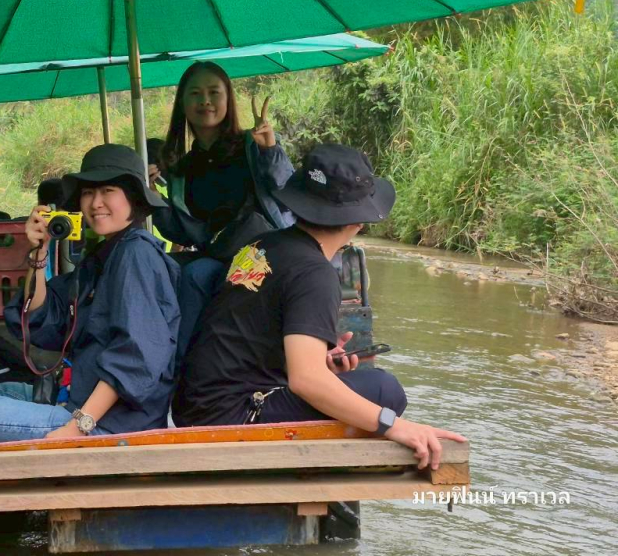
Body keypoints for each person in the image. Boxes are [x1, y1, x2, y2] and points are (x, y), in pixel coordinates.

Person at [173, 144, 466, 470]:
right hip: (231, 417)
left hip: (192, 407)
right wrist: (396, 426)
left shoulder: (265, 244)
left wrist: (319, 360)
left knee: (352, 386)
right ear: (358, 222)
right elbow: (306, 381)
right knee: (385, 391)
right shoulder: (315, 273)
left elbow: (250, 334)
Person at [0, 144, 180, 444]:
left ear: (134, 197)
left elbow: (137, 356)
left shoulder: (136, 254)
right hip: (78, 403)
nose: (96, 202)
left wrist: (78, 427)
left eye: (108, 190)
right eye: (89, 193)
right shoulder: (103, 257)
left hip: (111, 426)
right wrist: (40, 252)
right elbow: (44, 318)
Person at [148, 62, 296, 361]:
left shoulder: (251, 143)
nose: (205, 101)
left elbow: (288, 189)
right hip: (218, 251)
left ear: (228, 100)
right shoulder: (184, 166)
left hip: (265, 252)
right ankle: (150, 356)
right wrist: (152, 197)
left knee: (196, 275)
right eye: (196, 94)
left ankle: (184, 367)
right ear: (183, 104)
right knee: (154, 265)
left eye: (214, 92)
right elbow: (182, 232)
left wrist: (270, 149)